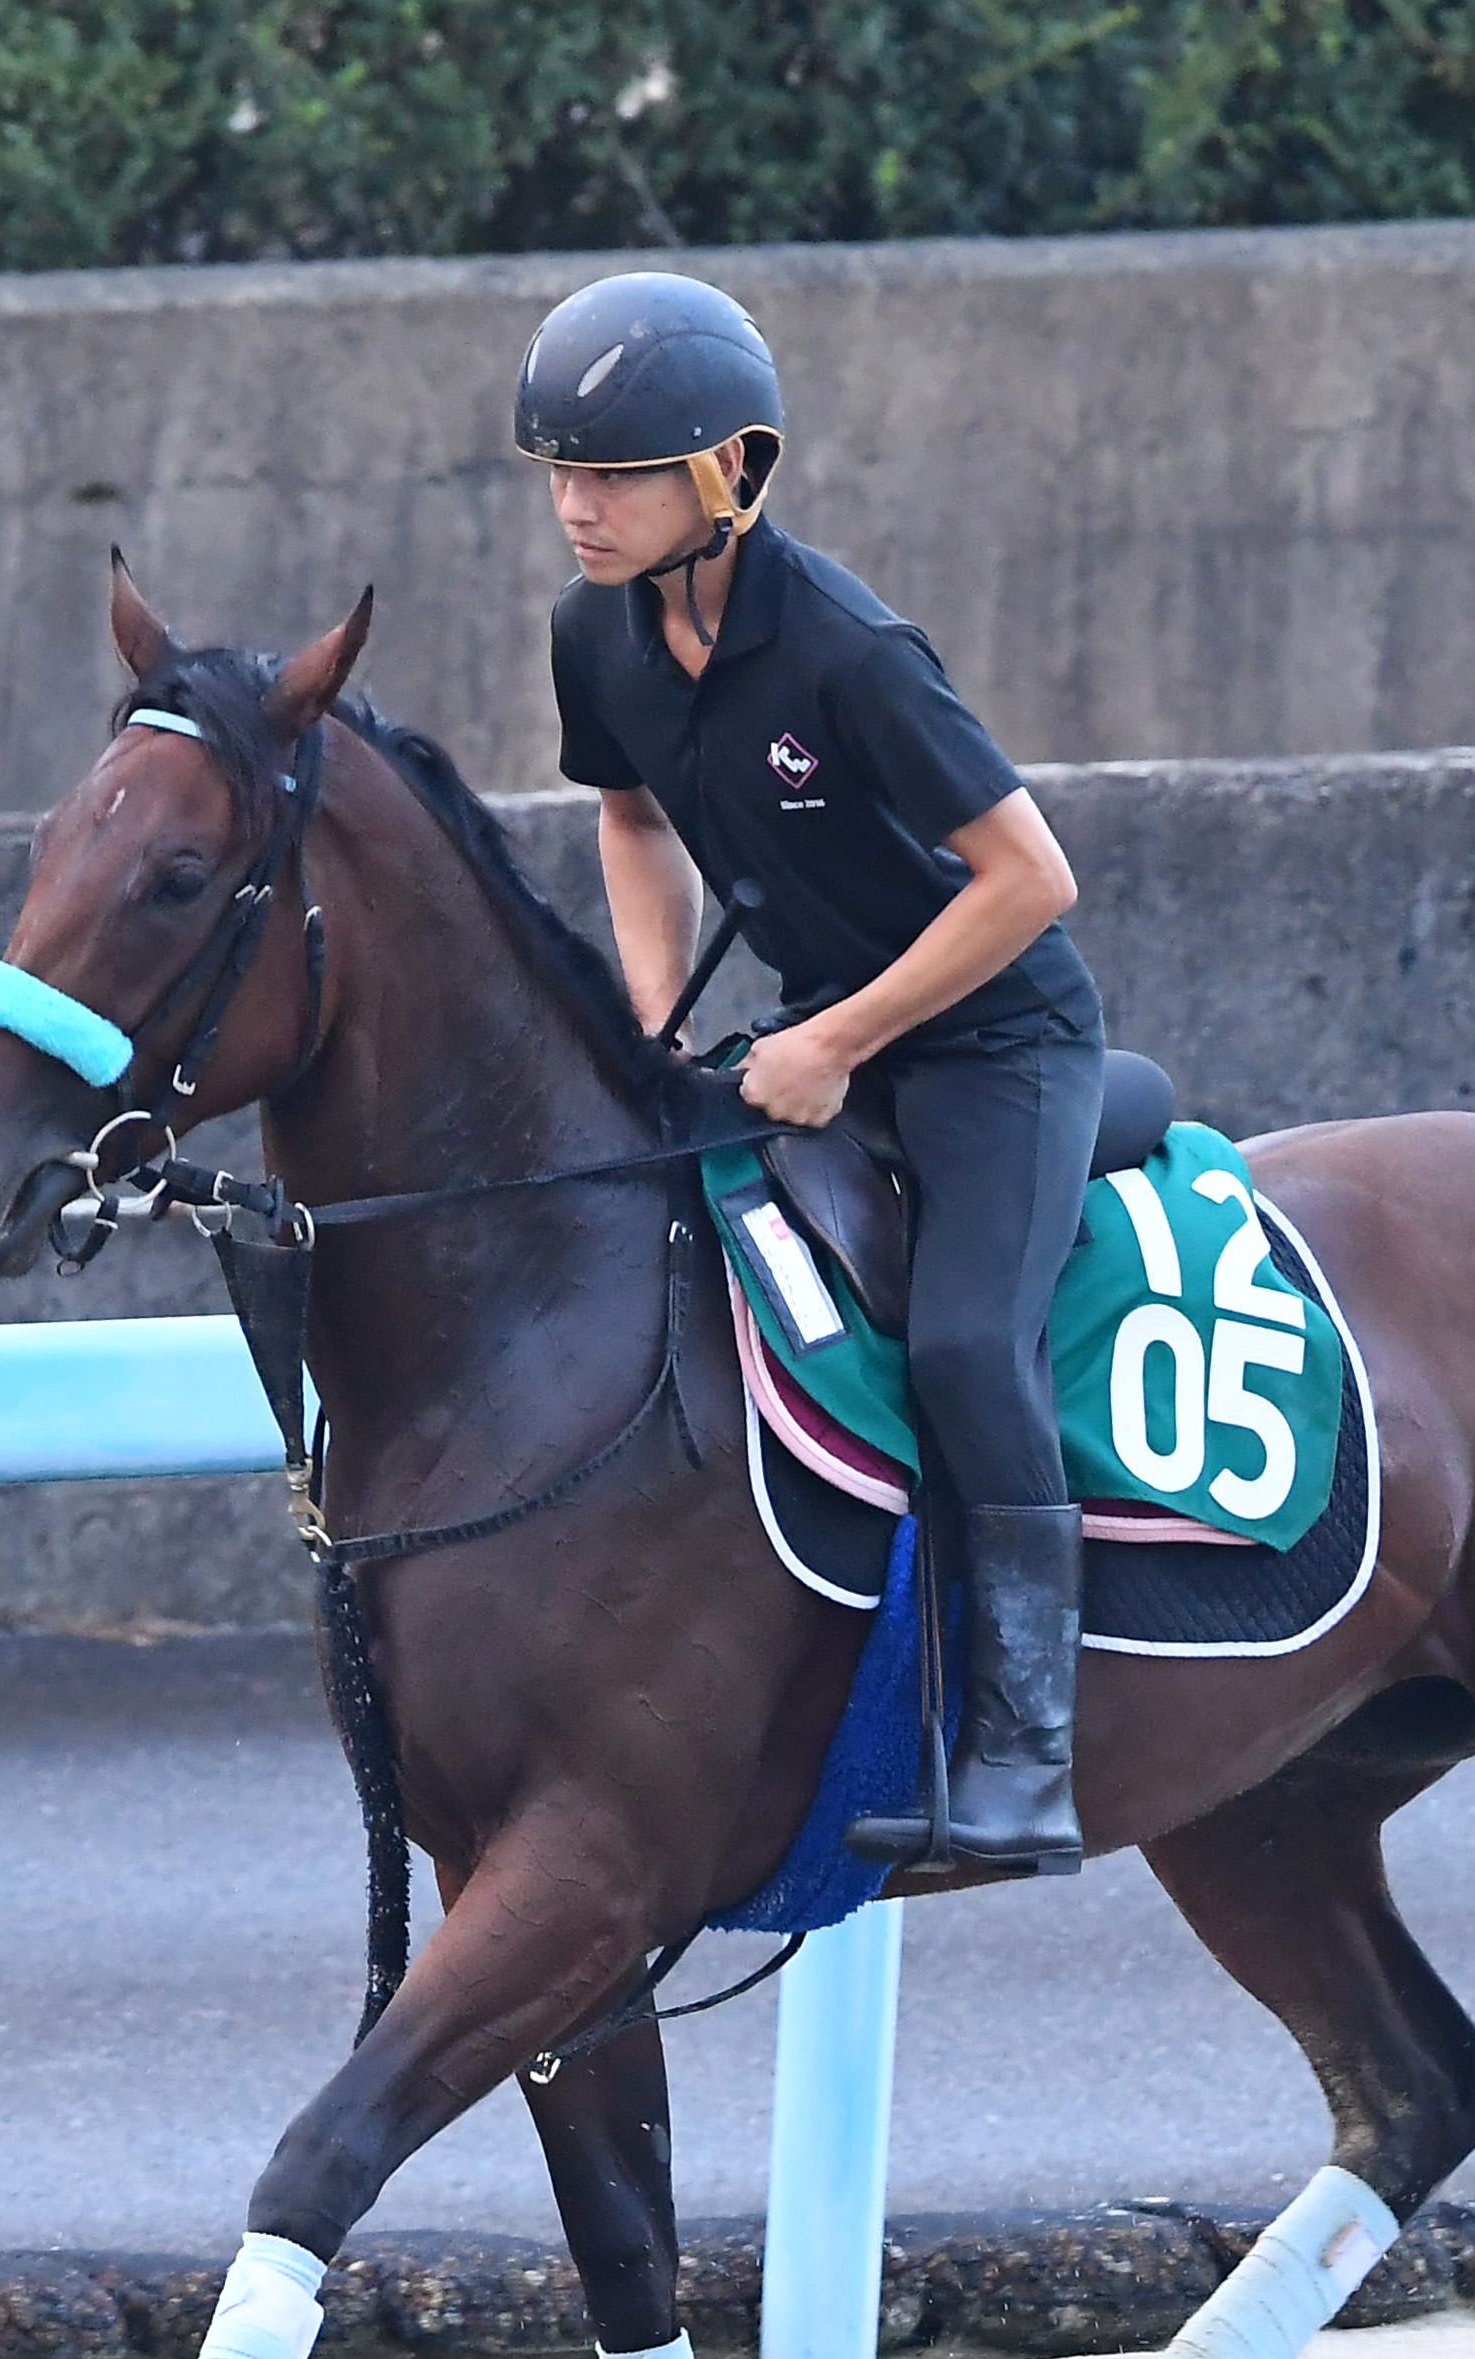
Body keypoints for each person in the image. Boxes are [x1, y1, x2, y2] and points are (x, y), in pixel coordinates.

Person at [519, 270, 1105, 1875]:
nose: (576, 507)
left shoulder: (852, 652)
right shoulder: (599, 634)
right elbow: (629, 814)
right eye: (560, 472)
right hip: (809, 1035)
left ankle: (1026, 1763)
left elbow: (1029, 878)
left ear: (730, 476)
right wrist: (655, 1020)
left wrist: (839, 1039)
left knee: (974, 1342)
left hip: (993, 1042)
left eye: (615, 474)